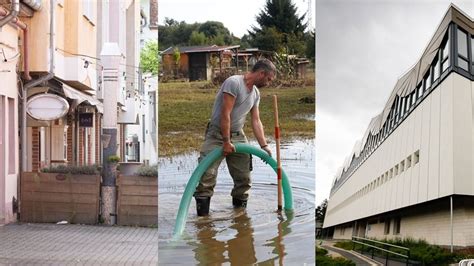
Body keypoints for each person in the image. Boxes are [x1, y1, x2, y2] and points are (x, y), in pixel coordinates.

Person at [193, 59, 276, 216]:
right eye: (269, 79)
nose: (269, 83)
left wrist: (264, 146)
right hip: (217, 134)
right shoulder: (234, 83)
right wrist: (226, 141)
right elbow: (226, 113)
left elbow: (256, 121)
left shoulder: (256, 93)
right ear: (262, 73)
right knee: (206, 177)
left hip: (238, 136)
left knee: (244, 179)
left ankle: (239, 217)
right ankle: (203, 221)